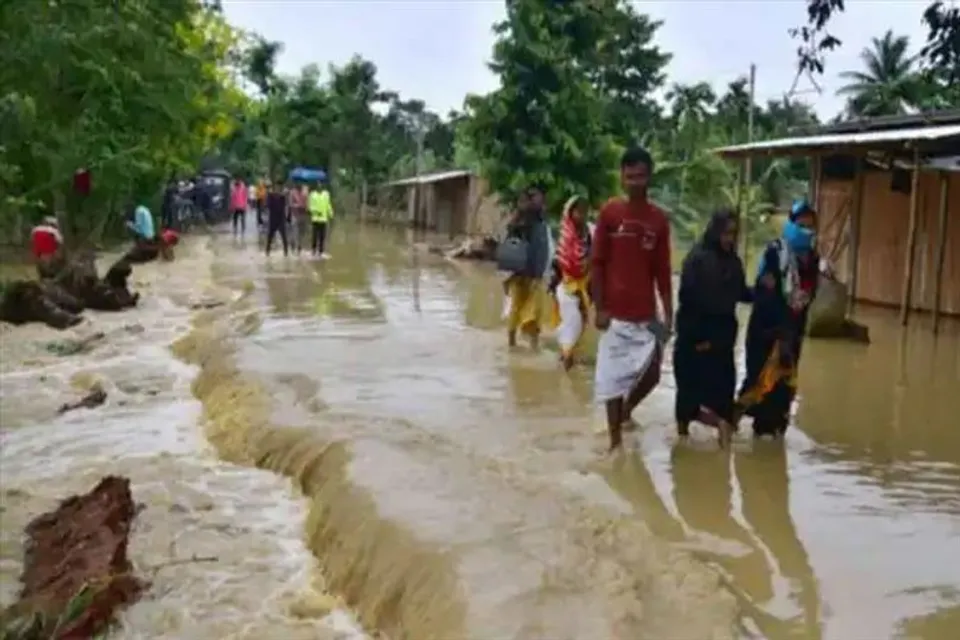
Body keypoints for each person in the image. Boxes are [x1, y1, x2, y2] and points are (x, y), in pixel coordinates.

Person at [592, 146, 673, 452]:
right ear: (622, 178)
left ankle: (628, 411)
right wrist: (600, 308)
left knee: (653, 372)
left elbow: (663, 273)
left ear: (649, 177)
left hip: (647, 315)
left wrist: (669, 317)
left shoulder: (658, 220)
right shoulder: (610, 213)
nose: (636, 182)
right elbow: (597, 263)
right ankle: (615, 442)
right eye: (630, 176)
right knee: (612, 378)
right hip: (614, 313)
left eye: (641, 176)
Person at [734, 199, 820, 438]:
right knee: (759, 385)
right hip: (766, 332)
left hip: (793, 334)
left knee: (785, 388)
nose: (806, 230)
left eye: (810, 225)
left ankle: (774, 441)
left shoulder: (812, 259)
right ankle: (733, 426)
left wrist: (790, 336)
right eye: (801, 223)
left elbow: (807, 298)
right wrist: (780, 335)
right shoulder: (776, 252)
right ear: (791, 224)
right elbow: (767, 297)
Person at [673, 209, 751, 448]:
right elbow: (688, 299)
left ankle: (711, 434)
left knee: (700, 398)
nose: (731, 239)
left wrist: (764, 291)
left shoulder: (731, 262)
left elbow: (740, 294)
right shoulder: (698, 260)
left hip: (717, 339)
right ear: (716, 231)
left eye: (734, 234)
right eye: (727, 233)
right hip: (701, 336)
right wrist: (697, 337)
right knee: (693, 395)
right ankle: (705, 439)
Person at [503, 185, 551, 349]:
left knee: (519, 309)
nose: (542, 202)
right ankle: (530, 345)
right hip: (527, 274)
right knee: (532, 310)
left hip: (524, 273)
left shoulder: (527, 222)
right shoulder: (530, 224)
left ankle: (515, 343)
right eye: (539, 199)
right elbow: (535, 251)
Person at [549, 195, 594, 370]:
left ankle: (567, 357)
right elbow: (563, 264)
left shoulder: (589, 232)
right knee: (572, 323)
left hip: (585, 286)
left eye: (584, 211)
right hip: (567, 287)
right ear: (570, 213)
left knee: (582, 322)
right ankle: (567, 364)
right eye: (577, 211)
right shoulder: (566, 236)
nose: (581, 215)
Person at [308, 181, 334, 258]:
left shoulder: (326, 194)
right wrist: (316, 211)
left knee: (322, 236)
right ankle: (313, 250)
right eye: (318, 185)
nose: (319, 186)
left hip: (323, 219)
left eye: (321, 185)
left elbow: (328, 205)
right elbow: (310, 207)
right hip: (315, 219)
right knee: (315, 236)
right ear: (316, 187)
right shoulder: (312, 195)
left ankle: (321, 251)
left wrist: (331, 214)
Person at [264, 180, 290, 256]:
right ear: (275, 187)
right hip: (273, 218)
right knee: (270, 236)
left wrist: (285, 194)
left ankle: (286, 253)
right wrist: (269, 195)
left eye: (280, 186)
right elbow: (267, 205)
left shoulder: (283, 196)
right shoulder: (271, 195)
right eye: (277, 186)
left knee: (284, 236)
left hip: (281, 218)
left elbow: (287, 203)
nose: (278, 188)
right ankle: (267, 252)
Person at [287, 182, 309, 253]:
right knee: (294, 231)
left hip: (303, 214)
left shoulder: (305, 191)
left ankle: (299, 246)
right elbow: (290, 204)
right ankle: (292, 245)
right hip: (295, 214)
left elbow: (307, 203)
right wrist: (297, 205)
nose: (300, 184)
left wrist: (305, 205)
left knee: (301, 231)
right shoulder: (292, 192)